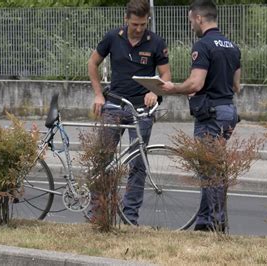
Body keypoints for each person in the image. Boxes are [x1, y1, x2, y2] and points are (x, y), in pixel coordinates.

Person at [159, 0, 241, 232]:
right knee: (211, 168)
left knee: (211, 171)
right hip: (228, 112)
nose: (191, 25)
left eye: (190, 20)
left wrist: (173, 88)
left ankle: (216, 224)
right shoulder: (232, 46)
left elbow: (196, 82)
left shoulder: (202, 45)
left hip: (211, 115)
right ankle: (205, 223)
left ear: (199, 18)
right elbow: (236, 85)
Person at [87, 0, 171, 225]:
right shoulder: (113, 37)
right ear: (126, 20)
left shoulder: (156, 42)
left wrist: (155, 91)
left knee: (137, 164)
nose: (139, 28)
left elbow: (166, 77)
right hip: (113, 106)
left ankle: (130, 216)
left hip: (142, 111)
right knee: (102, 159)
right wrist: (98, 95)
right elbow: (92, 63)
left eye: (143, 24)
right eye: (135, 24)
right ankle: (98, 212)